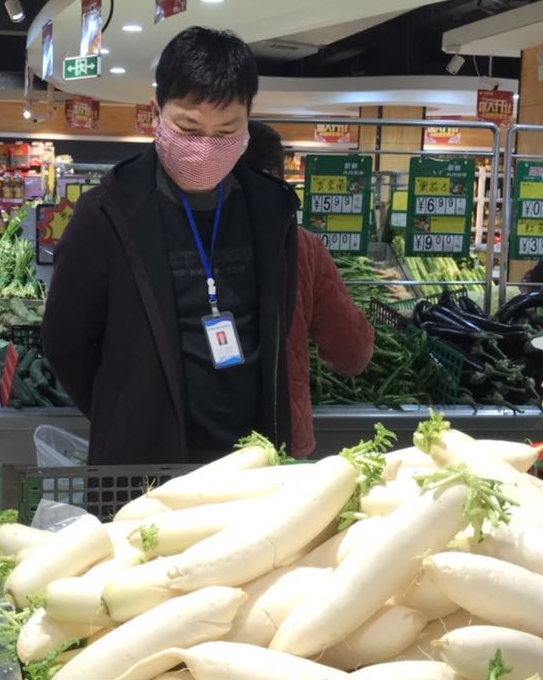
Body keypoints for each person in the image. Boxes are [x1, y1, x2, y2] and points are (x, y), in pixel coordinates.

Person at [43, 26, 299, 463]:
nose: (206, 147)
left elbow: (280, 322)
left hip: (252, 460)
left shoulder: (271, 210)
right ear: (156, 111)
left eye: (226, 131)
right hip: (144, 460)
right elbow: (64, 341)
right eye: (189, 126)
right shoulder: (106, 212)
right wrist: (124, 411)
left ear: (248, 122)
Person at [243, 122, 374, 457]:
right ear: (278, 174)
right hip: (281, 432)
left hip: (200, 439)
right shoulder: (303, 247)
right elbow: (351, 350)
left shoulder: (183, 238)